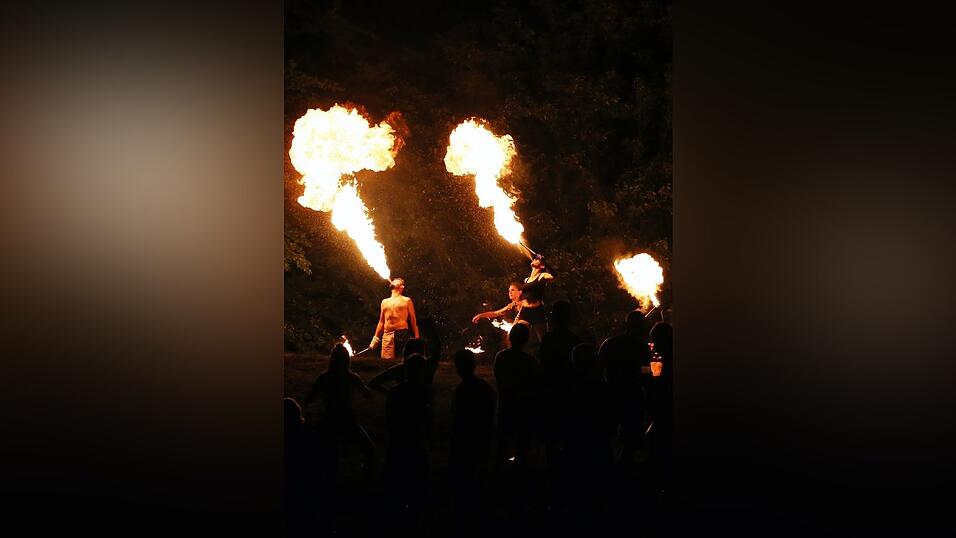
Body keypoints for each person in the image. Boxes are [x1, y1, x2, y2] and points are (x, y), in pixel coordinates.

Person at [304, 344, 377, 477]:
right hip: (348, 419)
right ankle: (363, 480)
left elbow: (309, 398)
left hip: (330, 418)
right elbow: (368, 395)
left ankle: (330, 482)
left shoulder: (324, 377)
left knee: (331, 455)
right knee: (370, 451)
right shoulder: (351, 377)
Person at [598, 310, 650, 468]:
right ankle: (623, 467)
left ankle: (607, 465)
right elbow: (645, 372)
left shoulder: (610, 343)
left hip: (611, 392)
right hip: (631, 395)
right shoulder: (642, 348)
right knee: (630, 436)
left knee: (607, 433)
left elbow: (599, 365)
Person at [493, 322, 538, 469]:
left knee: (503, 443)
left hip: (506, 406)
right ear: (526, 339)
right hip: (523, 408)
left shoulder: (501, 357)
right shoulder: (530, 361)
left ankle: (499, 474)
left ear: (510, 337)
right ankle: (520, 472)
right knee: (522, 445)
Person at [370, 278, 420, 360]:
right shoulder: (384, 302)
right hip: (387, 335)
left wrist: (417, 339)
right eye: (394, 280)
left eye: (397, 280)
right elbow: (381, 322)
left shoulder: (407, 300)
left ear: (402, 287)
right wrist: (375, 339)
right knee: (386, 363)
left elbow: (413, 320)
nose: (394, 280)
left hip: (402, 334)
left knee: (403, 361)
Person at [519, 256, 554, 349]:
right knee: (518, 336)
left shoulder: (542, 276)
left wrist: (545, 262)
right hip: (525, 312)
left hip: (537, 312)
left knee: (544, 341)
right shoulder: (526, 279)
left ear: (542, 266)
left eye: (537, 260)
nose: (534, 259)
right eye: (534, 259)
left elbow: (554, 276)